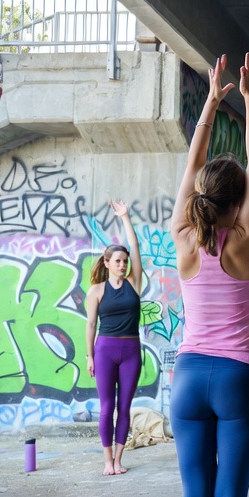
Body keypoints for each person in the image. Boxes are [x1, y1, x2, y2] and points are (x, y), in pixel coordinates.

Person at [169, 52, 249, 497]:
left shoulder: (183, 235)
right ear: (237, 202)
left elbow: (192, 169)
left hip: (187, 379)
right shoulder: (248, 240)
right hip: (238, 379)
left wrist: (210, 103)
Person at [85, 201, 144, 476]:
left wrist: (125, 217)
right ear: (107, 263)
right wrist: (89, 356)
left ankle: (119, 460)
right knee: (107, 407)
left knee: (125, 407)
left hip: (131, 349)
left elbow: (136, 248)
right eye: (117, 261)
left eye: (124, 261)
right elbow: (91, 325)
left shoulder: (134, 283)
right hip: (105, 349)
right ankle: (107, 461)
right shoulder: (96, 290)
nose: (122, 265)